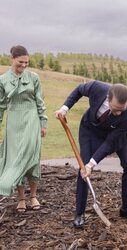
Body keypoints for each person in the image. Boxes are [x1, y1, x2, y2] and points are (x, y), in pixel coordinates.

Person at [55, 80, 127, 228]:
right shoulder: (97, 88)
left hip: (115, 135)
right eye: (115, 109)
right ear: (108, 98)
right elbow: (79, 90)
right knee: (84, 170)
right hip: (90, 131)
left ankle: (126, 208)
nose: (119, 113)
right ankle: (80, 213)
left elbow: (110, 143)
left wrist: (92, 163)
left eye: (122, 109)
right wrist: (65, 108)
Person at [0, 45, 48, 212]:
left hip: (31, 120)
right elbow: (0, 106)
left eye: (27, 62)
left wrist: (43, 122)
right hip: (13, 122)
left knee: (32, 157)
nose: (24, 65)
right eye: (21, 62)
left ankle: (33, 196)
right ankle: (21, 198)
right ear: (12, 59)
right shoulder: (3, 79)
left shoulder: (33, 77)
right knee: (16, 159)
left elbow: (40, 101)